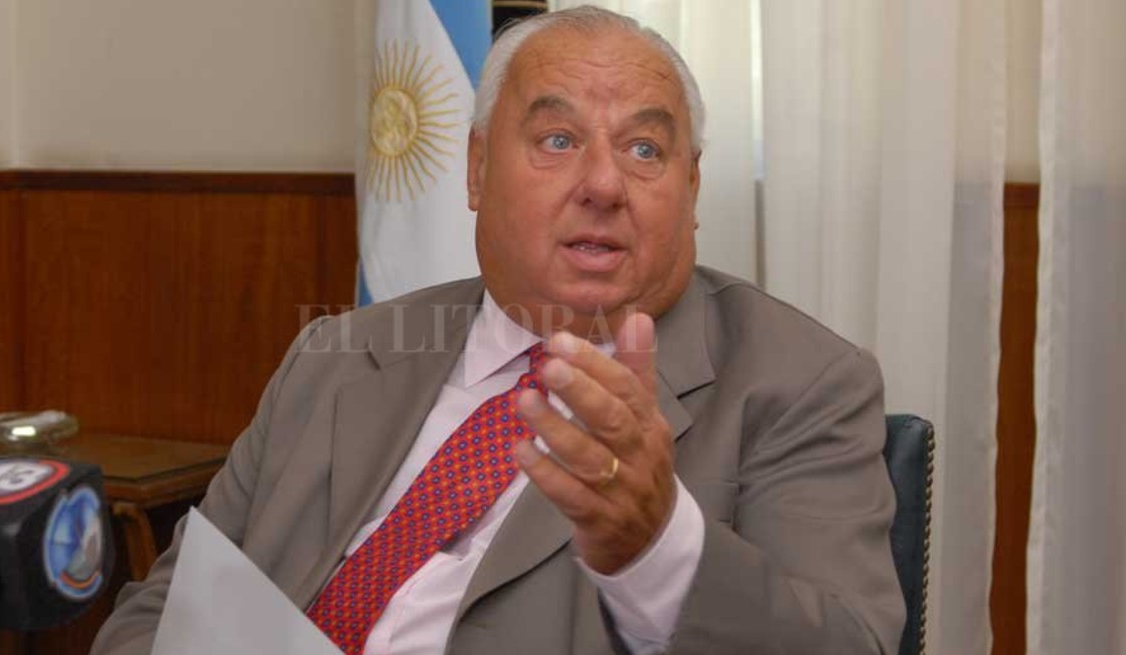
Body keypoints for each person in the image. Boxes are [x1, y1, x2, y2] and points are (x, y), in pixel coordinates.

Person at [92, 7, 904, 654]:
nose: (603, 183)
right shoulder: (335, 356)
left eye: (644, 148)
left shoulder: (800, 382)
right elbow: (161, 612)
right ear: (477, 170)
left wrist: (657, 546)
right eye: (558, 140)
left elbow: (848, 642)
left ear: (691, 189)